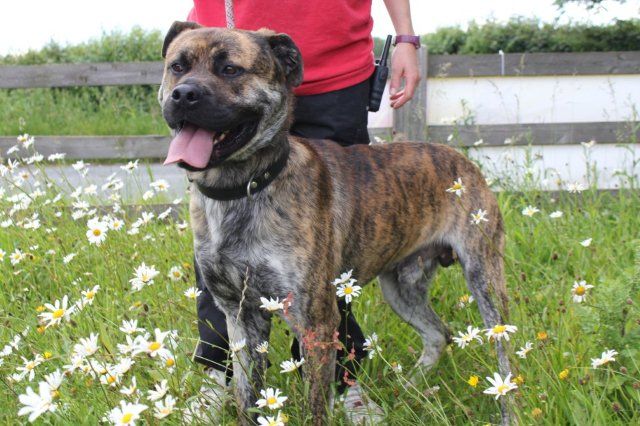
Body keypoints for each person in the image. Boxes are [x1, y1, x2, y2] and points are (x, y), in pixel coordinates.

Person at [187, 0, 421, 422]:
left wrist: (405, 36)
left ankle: (340, 381)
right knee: (221, 238)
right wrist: (197, 44)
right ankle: (219, 373)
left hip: (335, 69)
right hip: (221, 48)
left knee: (334, 252)